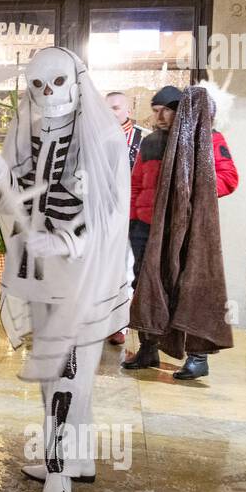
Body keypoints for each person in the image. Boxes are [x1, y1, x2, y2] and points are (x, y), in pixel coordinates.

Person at [0, 47, 132, 492]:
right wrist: (0, 180)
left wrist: (67, 242)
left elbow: (109, 215)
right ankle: (79, 457)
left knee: (65, 372)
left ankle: (58, 471)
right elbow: (17, 200)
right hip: (42, 274)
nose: (48, 95)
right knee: (64, 374)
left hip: (83, 276)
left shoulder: (102, 141)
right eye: (39, 86)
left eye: (57, 84)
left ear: (76, 80)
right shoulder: (31, 137)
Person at [126, 84, 238, 380]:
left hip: (186, 230)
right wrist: (133, 218)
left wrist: (194, 194)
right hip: (146, 229)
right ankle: (147, 348)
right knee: (145, 286)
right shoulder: (150, 143)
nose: (159, 116)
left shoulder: (209, 140)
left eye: (166, 109)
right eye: (155, 110)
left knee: (190, 288)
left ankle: (198, 357)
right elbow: (136, 183)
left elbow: (229, 178)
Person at [103, 92, 150, 345]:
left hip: (130, 215)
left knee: (125, 271)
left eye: (116, 108)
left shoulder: (144, 139)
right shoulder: (96, 137)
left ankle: (120, 325)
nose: (111, 113)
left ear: (128, 109)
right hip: (101, 215)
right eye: (107, 108)